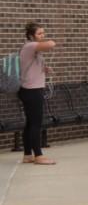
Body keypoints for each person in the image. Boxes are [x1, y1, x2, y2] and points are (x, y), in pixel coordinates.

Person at [18, 22, 56, 165]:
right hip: (32, 91)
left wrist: (45, 69)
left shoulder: (32, 48)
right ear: (31, 35)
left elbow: (32, 66)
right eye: (39, 33)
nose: (42, 36)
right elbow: (50, 45)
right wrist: (50, 41)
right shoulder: (30, 46)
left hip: (29, 90)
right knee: (36, 123)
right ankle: (38, 155)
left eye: (43, 33)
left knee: (30, 123)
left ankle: (28, 155)